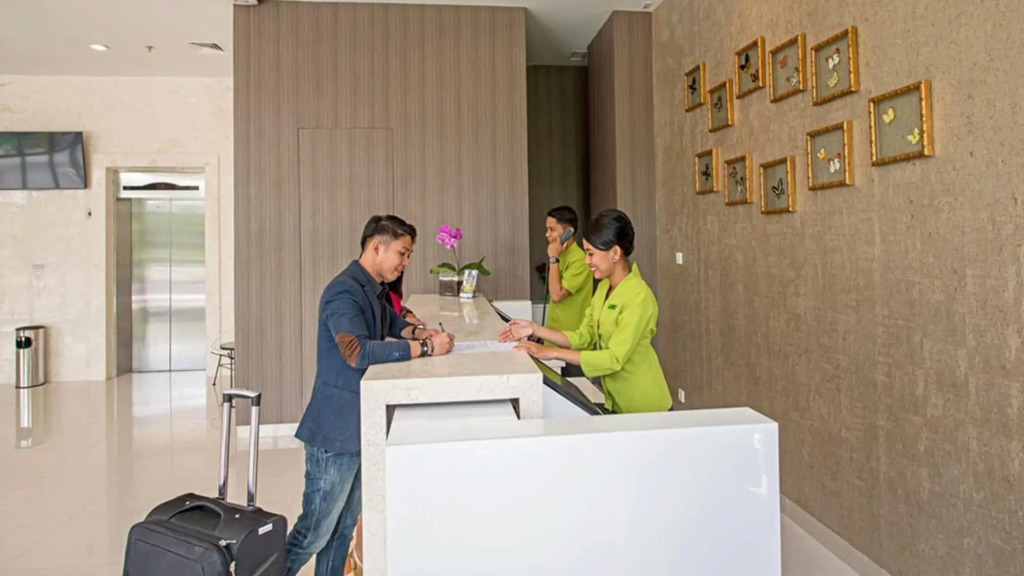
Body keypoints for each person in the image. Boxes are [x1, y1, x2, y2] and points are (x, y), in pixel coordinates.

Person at [285, 214, 454, 576]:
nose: (405, 262)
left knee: (343, 529)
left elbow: (389, 322)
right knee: (313, 533)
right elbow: (356, 351)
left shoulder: (371, 289)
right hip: (336, 430)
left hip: (362, 424)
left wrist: (417, 332)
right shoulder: (343, 291)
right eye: (402, 253)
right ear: (377, 247)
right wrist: (425, 349)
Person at [499, 209, 672, 414]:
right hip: (616, 402)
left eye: (591, 254)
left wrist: (552, 352)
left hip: (645, 406)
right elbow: (583, 337)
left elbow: (614, 359)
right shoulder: (604, 288)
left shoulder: (638, 296)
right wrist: (534, 329)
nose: (587, 261)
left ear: (615, 253)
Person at [542, 206, 593, 336]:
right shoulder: (560, 254)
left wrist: (553, 258)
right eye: (547, 229)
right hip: (553, 333)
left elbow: (556, 296)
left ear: (569, 232)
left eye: (552, 229)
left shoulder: (580, 260)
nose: (547, 234)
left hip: (572, 337)